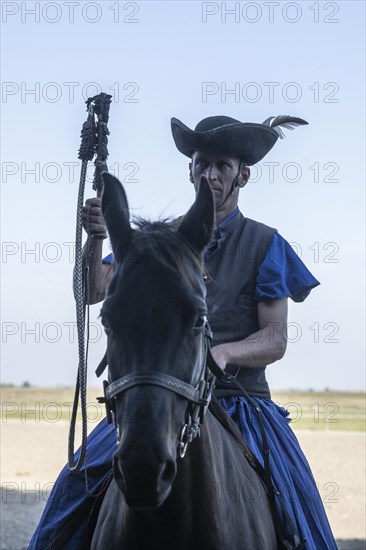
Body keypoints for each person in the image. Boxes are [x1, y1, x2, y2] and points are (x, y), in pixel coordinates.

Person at [29, 115, 337, 549]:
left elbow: (275, 339)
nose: (210, 173)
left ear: (242, 176)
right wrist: (95, 238)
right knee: (70, 495)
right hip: (159, 396)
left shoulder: (264, 244)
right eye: (201, 163)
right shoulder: (157, 240)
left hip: (239, 402)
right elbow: (94, 291)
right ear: (188, 169)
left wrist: (224, 354)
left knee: (302, 513)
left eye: (222, 165)